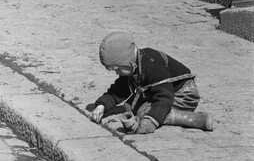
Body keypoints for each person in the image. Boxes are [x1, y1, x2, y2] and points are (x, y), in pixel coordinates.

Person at [86, 32, 214, 134]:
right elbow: (118, 91)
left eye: (117, 69)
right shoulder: (134, 65)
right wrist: (101, 106)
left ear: (128, 61)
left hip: (184, 94)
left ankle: (194, 119)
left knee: (144, 112)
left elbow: (165, 96)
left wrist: (151, 120)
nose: (117, 73)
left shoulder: (153, 66)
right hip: (167, 92)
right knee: (132, 107)